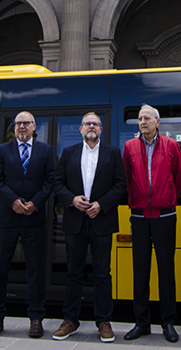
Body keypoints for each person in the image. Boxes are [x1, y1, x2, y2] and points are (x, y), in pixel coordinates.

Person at [52, 112, 127, 343]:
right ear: (81, 129)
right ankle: (70, 320)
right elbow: (57, 183)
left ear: (101, 130)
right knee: (73, 273)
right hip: (75, 220)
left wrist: (101, 204)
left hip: (102, 221)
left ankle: (103, 321)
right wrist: (72, 200)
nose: (91, 127)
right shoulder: (69, 153)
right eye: (87, 124)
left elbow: (121, 185)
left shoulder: (113, 153)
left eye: (95, 124)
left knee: (103, 274)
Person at [0, 111, 55, 339]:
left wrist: (36, 203)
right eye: (18, 123)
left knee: (36, 270)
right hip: (6, 220)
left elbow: (50, 181)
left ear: (34, 126)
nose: (22, 126)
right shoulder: (2, 150)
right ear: (14, 128)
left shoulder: (45, 151)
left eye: (26, 123)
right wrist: (12, 200)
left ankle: (36, 319)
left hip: (34, 220)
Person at [122, 104, 181, 344]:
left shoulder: (171, 145)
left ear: (158, 122)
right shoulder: (129, 147)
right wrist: (137, 199)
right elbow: (127, 178)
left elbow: (179, 177)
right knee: (140, 271)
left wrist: (165, 198)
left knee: (166, 270)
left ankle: (168, 323)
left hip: (165, 216)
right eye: (139, 119)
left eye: (147, 118)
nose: (142, 122)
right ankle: (142, 323)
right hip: (138, 217)